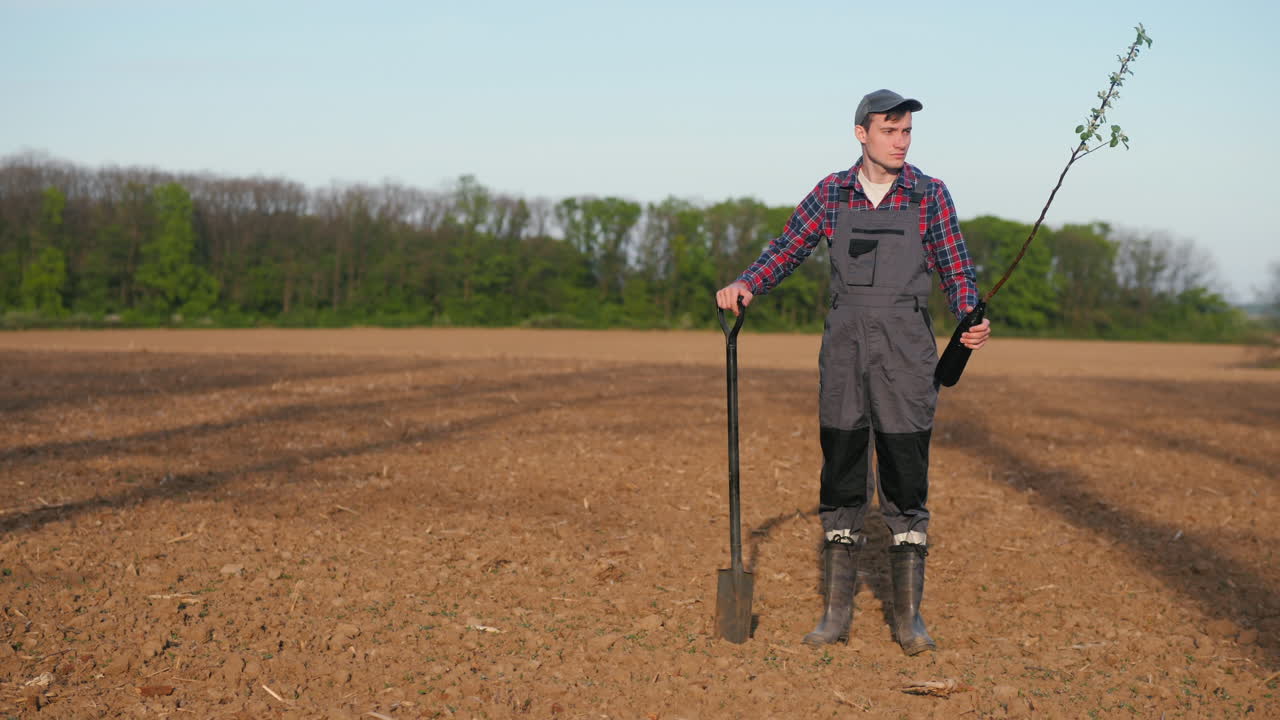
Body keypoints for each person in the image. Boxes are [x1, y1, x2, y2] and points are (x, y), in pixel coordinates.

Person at [714, 89, 991, 655]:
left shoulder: (929, 195)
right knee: (841, 474)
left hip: (907, 352)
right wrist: (747, 283)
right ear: (861, 133)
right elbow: (785, 249)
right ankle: (835, 616)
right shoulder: (830, 194)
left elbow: (956, 266)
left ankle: (908, 621)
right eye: (890, 130)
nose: (901, 141)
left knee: (905, 475)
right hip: (843, 352)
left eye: (907, 132)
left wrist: (971, 315)